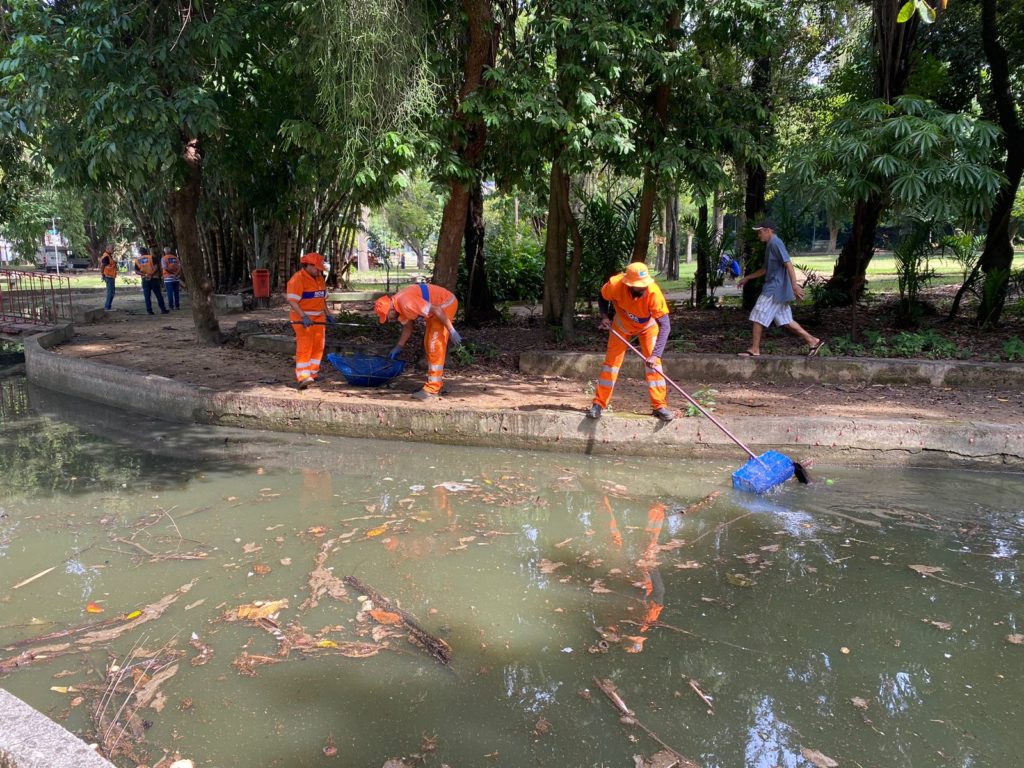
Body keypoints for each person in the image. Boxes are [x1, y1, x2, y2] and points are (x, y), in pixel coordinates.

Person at [587, 262, 674, 422]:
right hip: (621, 326)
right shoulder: (615, 285)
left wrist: (655, 355)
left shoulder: (653, 293)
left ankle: (659, 406)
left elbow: (665, 326)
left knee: (655, 366)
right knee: (611, 365)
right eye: (638, 286)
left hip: (648, 327)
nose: (642, 289)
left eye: (644, 285)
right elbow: (602, 296)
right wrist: (605, 317)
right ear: (628, 284)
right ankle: (599, 404)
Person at [736, 220, 823, 357]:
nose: (758, 235)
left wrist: (794, 286)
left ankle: (754, 349)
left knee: (758, 315)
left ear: (768, 230)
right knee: (786, 321)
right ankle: (813, 341)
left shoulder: (776, 243)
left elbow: (788, 264)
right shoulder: (770, 245)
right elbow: (765, 269)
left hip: (774, 290)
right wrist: (748, 278)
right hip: (777, 290)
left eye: (760, 232)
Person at [374, 282, 460, 401]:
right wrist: (399, 346)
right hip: (434, 312)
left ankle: (432, 389)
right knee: (428, 343)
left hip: (445, 304)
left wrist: (451, 330)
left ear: (391, 308)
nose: (389, 319)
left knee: (434, 344)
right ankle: (433, 384)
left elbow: (436, 309)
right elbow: (408, 328)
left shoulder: (406, 303)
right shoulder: (399, 310)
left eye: (387, 316)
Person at [286, 252, 333, 390]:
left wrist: (328, 314)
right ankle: (302, 377)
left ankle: (313, 373)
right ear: (309, 265)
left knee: (319, 344)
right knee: (305, 345)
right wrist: (303, 316)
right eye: (317, 268)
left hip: (319, 318)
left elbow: (321, 299)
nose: (319, 271)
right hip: (302, 319)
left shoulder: (319, 278)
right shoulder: (297, 279)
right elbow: (293, 301)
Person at [133, 246, 168, 315]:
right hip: (154, 278)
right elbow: (156, 267)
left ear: (140, 253)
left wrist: (145, 275)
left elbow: (136, 271)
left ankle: (149, 311)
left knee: (147, 296)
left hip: (145, 279)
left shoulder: (137, 260)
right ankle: (163, 309)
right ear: (146, 251)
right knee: (158, 295)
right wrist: (151, 274)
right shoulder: (151, 257)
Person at [99, 244, 117, 311]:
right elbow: (102, 266)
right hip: (108, 276)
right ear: (107, 249)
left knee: (112, 292)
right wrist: (102, 274)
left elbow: (109, 264)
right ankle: (107, 307)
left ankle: (108, 307)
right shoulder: (106, 256)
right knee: (110, 292)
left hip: (111, 276)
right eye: (112, 248)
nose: (113, 250)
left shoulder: (109, 256)